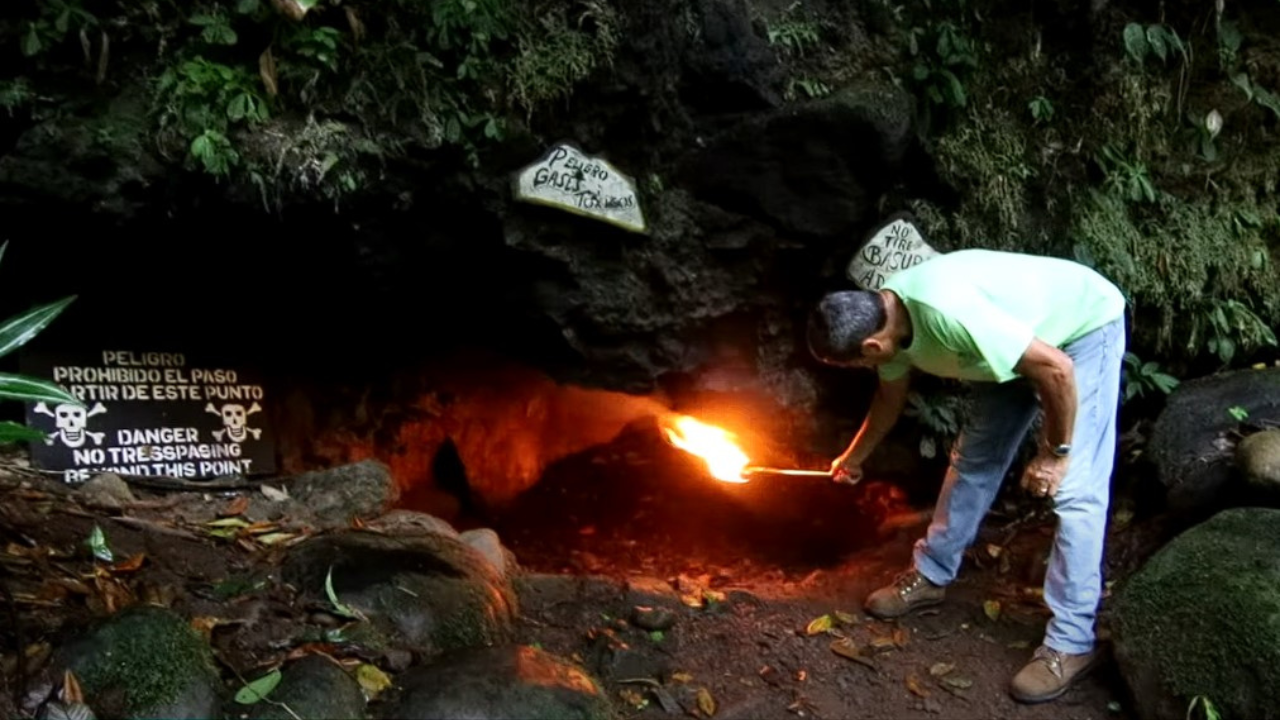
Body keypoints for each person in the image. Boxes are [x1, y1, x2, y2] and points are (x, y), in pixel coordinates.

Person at [806, 247, 1126, 704]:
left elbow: (1057, 368)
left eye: (857, 364)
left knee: (1076, 490)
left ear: (871, 348)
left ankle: (1072, 643)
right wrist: (854, 457)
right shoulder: (884, 316)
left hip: (1080, 330)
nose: (865, 369)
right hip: (1014, 341)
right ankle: (931, 574)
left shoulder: (947, 314)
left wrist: (1056, 454)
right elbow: (888, 400)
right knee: (973, 459)